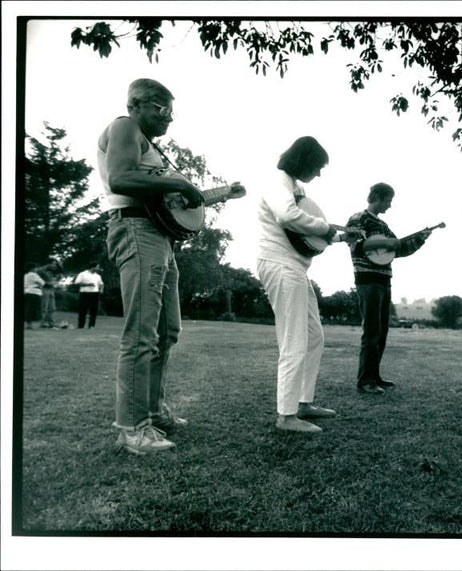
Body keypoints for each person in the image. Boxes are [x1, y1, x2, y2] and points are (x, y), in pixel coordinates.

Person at [99, 78, 246, 454]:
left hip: (158, 237)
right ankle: (133, 429)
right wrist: (178, 182)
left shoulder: (152, 149)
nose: (169, 118)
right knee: (141, 333)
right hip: (135, 230)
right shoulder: (125, 126)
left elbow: (175, 203)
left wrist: (220, 193)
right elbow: (119, 177)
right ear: (135, 105)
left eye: (171, 112)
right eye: (162, 109)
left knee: (167, 331)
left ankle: (152, 412)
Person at [256, 136, 361, 433]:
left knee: (314, 336)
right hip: (280, 265)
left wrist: (340, 237)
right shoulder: (277, 181)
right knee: (294, 340)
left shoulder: (295, 187)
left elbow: (304, 234)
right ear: (303, 161)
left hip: (295, 268)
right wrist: (328, 227)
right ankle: (286, 416)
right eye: (317, 167)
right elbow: (288, 216)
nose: (318, 173)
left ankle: (303, 403)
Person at [346, 183, 432, 395]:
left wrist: (419, 239)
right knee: (372, 331)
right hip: (367, 280)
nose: (390, 205)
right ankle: (365, 381)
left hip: (384, 280)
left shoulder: (383, 225)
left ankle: (374, 376)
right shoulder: (358, 219)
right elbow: (356, 245)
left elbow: (399, 249)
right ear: (376, 197)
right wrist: (387, 243)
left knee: (382, 331)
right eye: (388, 200)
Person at [74, 262, 104, 329]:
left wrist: (101, 290)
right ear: (93, 267)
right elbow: (76, 283)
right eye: (97, 267)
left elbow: (101, 284)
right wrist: (87, 284)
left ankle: (91, 325)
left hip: (94, 294)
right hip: (84, 293)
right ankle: (81, 325)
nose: (98, 268)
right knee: (83, 310)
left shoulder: (97, 276)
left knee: (94, 310)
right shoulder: (82, 274)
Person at [37, 262, 61, 329]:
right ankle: (43, 323)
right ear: (49, 264)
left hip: (52, 290)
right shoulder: (42, 271)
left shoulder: (53, 272)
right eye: (53, 264)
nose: (55, 266)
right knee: (44, 307)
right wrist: (48, 283)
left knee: (52, 307)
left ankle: (51, 323)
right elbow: (38, 273)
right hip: (44, 289)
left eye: (56, 265)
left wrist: (58, 280)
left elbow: (55, 281)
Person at [23, 263, 45, 329]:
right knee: (36, 309)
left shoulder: (25, 275)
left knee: (28, 308)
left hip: (27, 292)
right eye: (35, 268)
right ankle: (37, 324)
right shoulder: (34, 275)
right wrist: (39, 284)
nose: (36, 269)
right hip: (35, 292)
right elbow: (42, 282)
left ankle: (28, 324)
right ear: (32, 269)